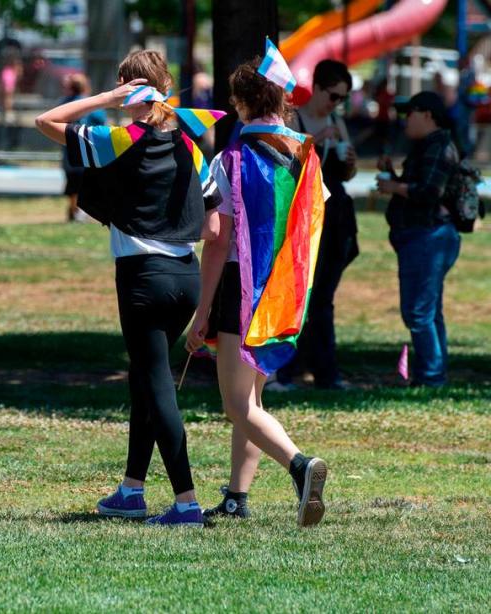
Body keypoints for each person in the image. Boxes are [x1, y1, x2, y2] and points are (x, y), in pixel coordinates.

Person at [35, 50, 222, 527]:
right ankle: (131, 490)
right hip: (186, 278)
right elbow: (213, 228)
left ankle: (185, 503)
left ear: (126, 86)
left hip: (143, 277)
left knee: (157, 386)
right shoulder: (190, 145)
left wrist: (107, 98)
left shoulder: (119, 138)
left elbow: (46, 120)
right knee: (146, 379)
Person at [186, 60, 329, 527]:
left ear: (244, 103)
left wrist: (202, 309)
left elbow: (218, 241)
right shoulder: (307, 154)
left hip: (240, 291)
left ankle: (300, 465)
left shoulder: (229, 160)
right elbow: (313, 220)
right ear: (283, 102)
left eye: (235, 98)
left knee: (235, 404)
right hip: (286, 293)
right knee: (253, 402)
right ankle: (236, 497)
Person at [275, 59, 359, 391]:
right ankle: (287, 370)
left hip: (337, 214)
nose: (337, 104)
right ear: (319, 88)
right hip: (308, 215)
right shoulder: (297, 118)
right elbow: (291, 164)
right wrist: (318, 138)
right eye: (334, 96)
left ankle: (326, 372)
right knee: (302, 294)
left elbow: (345, 174)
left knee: (324, 297)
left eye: (343, 98)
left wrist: (350, 163)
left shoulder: (338, 120)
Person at [376, 91, 461, 387]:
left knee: (418, 312)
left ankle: (431, 378)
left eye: (408, 113)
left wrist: (392, 187)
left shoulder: (440, 146)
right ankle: (433, 374)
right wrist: (391, 175)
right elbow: (418, 187)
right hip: (422, 237)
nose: (404, 119)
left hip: (430, 237)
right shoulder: (427, 145)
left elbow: (428, 192)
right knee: (427, 311)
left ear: (427, 115)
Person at [59, 73, 107, 222]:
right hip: (88, 150)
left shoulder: (65, 103)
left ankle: (74, 210)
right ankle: (79, 212)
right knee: (85, 183)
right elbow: (101, 121)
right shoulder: (91, 105)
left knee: (72, 184)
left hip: (70, 151)